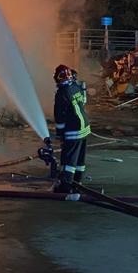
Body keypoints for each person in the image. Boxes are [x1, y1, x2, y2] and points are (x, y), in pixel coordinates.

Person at [52, 64, 89, 193]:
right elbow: (83, 101)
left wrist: (60, 135)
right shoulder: (76, 86)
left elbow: (60, 117)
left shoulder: (61, 93)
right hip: (84, 127)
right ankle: (77, 182)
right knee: (79, 159)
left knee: (69, 160)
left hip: (73, 131)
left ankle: (66, 186)